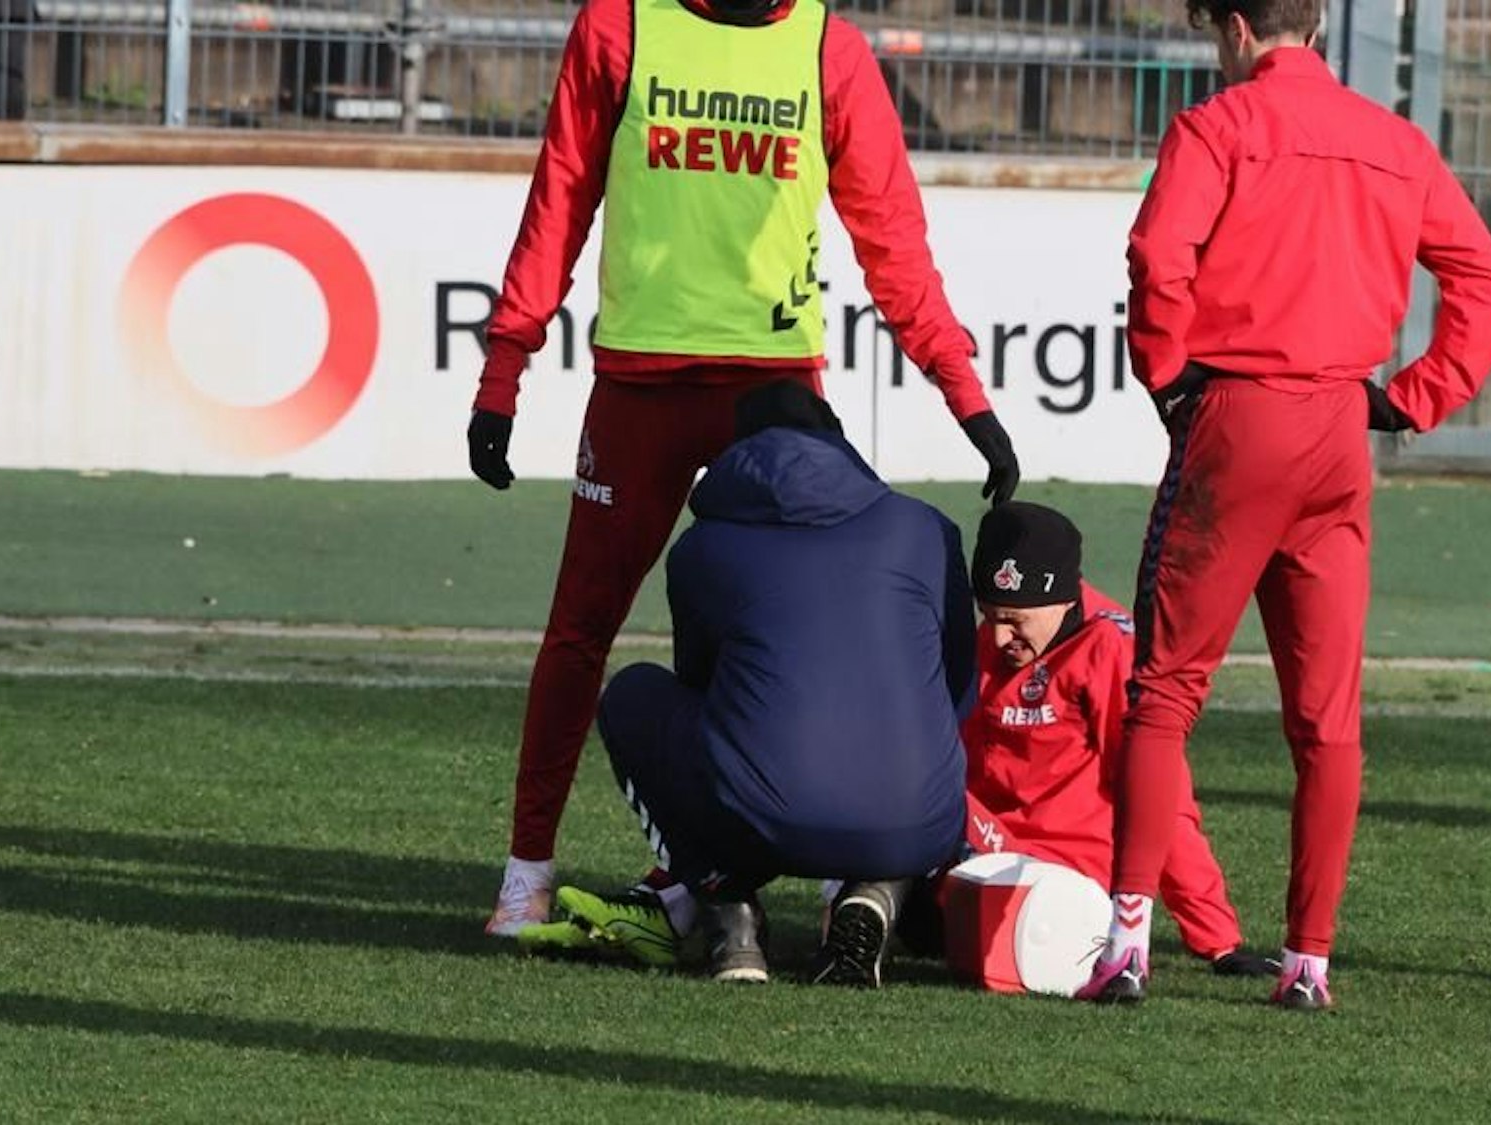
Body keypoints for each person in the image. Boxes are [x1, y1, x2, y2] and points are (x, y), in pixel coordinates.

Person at [469, 0, 1020, 937]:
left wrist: (965, 395)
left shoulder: (828, 48)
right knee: (580, 630)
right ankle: (530, 877)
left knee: (814, 631)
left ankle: (830, 876)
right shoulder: (619, 26)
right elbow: (559, 203)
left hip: (776, 399)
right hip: (641, 388)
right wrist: (504, 369)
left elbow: (893, 243)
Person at [1084, 0, 1491, 1007]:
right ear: (1316, 26)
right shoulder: (1391, 140)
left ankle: (1126, 942)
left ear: (1236, 28)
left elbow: (1158, 257)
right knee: (1326, 719)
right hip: (1337, 428)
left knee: (1164, 691)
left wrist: (1166, 375)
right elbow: (1486, 283)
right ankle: (1309, 961)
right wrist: (1411, 397)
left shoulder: (1216, 126)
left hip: (1239, 415)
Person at [522, 382, 975, 983]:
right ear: (841, 447)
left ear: (735, 456)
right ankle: (876, 892)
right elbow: (958, 685)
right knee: (915, 737)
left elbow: (703, 689)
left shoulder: (701, 549)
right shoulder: (926, 529)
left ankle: (731, 921)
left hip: (762, 814)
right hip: (920, 823)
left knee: (633, 696)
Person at [957, 501, 1264, 974]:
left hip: (1062, 877)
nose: (999, 638)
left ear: (1063, 600)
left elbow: (1159, 798)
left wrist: (1218, 941)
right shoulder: (991, 643)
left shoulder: (1109, 652)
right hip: (981, 848)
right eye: (989, 615)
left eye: (1014, 621)